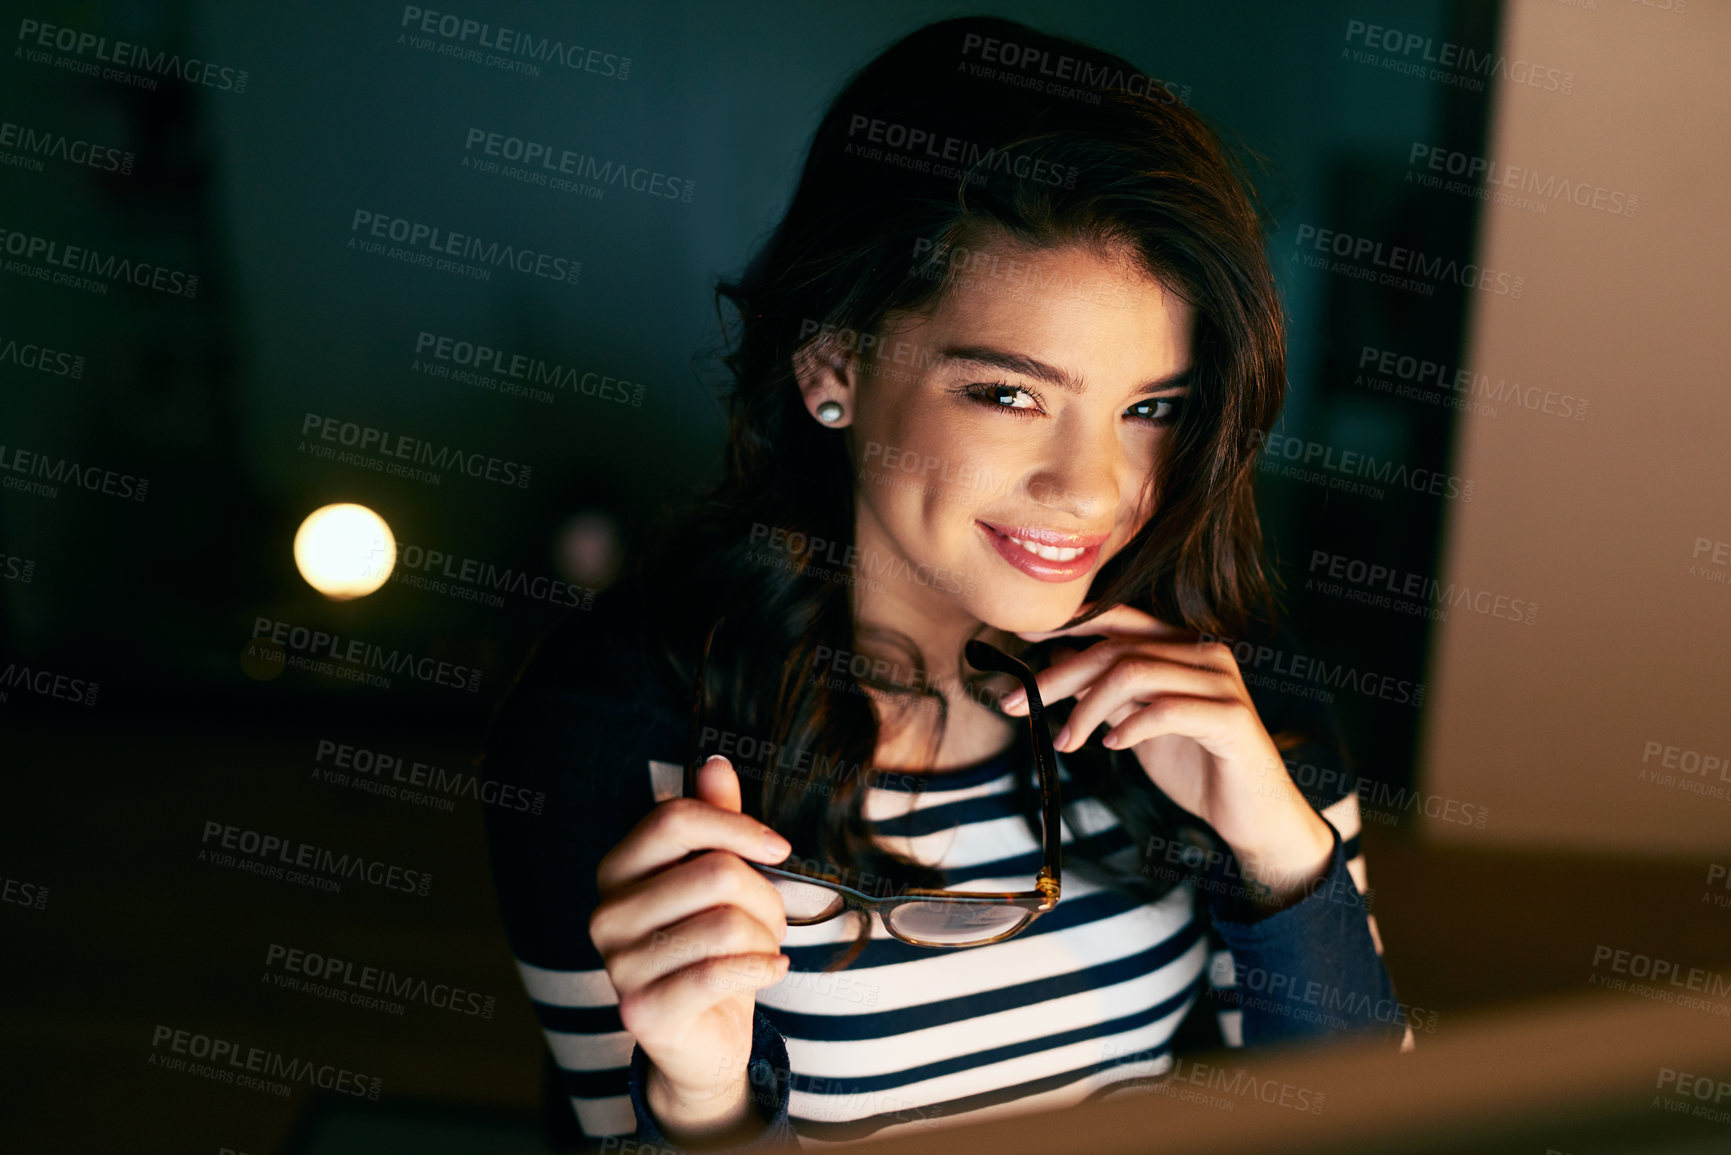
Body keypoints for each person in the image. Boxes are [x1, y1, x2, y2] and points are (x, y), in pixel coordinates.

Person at [480, 15, 1409, 1152]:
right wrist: (701, 1101)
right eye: (1008, 394)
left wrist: (1282, 854)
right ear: (834, 367)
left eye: (1149, 409)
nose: (1092, 487)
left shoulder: (1219, 685)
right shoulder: (611, 730)